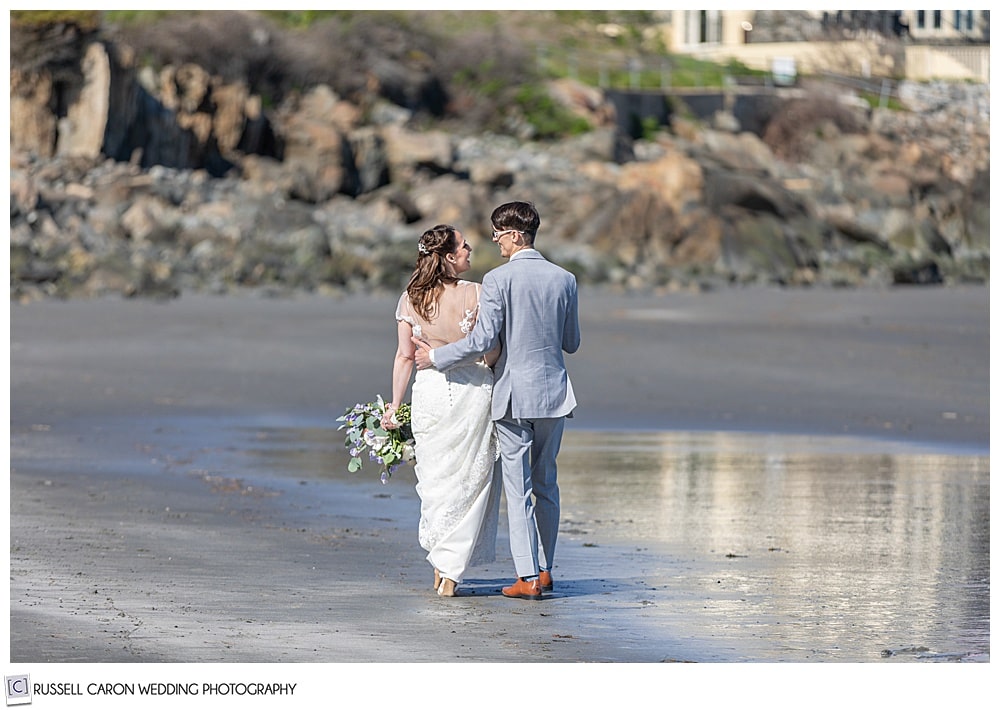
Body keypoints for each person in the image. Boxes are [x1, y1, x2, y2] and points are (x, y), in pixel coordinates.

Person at [413, 201, 580, 601]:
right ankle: (545, 569)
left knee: (518, 487)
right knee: (547, 484)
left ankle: (527, 577)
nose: (494, 242)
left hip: (512, 396)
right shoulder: (566, 279)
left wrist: (435, 357)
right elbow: (571, 342)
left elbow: (483, 341)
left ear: (516, 235)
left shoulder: (498, 280)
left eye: (498, 234)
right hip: (555, 394)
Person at [382, 224, 502, 598]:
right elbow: (491, 353)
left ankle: (442, 566)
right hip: (473, 393)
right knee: (470, 482)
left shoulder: (410, 298)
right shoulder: (477, 294)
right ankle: (449, 571)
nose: (470, 250)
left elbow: (404, 357)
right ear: (449, 256)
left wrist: (394, 407)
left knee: (435, 482)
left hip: (430, 394)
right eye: (464, 246)